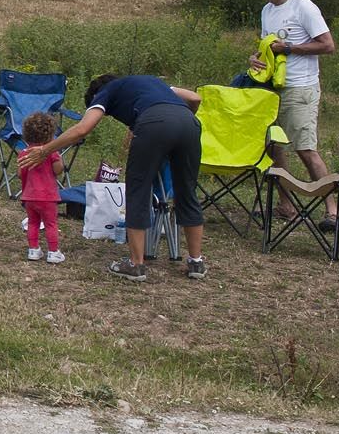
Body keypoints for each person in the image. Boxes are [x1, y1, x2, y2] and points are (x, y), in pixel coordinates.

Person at [20, 74, 205, 283]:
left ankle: (136, 265)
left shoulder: (105, 92)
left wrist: (45, 150)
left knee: (138, 192)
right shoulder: (152, 82)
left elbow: (82, 129)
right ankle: (196, 261)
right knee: (187, 192)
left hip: (153, 125)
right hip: (189, 123)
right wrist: (178, 123)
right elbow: (195, 98)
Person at [244, 0, 339, 230]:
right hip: (272, 88)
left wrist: (289, 49)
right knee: (274, 148)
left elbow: (327, 45)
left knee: (306, 148)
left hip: (300, 87)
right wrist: (256, 58)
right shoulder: (267, 11)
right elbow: (266, 46)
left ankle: (332, 209)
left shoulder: (303, 7)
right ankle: (287, 205)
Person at [17, 111, 65, 263]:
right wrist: (58, 159)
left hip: (29, 196)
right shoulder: (51, 153)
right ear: (50, 135)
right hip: (47, 197)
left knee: (32, 223)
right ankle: (53, 252)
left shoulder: (24, 153)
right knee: (51, 224)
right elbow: (58, 170)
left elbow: (20, 173)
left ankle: (33, 250)